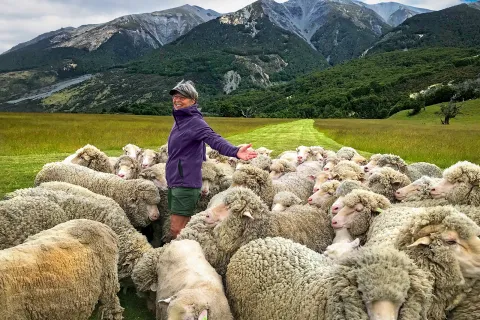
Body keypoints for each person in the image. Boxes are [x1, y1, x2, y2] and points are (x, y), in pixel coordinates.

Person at [166, 80, 257, 240]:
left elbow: (214, 139)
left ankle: (182, 258)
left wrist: (235, 151)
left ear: (193, 101)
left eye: (182, 97)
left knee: (177, 229)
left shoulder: (195, 122)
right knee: (182, 226)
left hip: (185, 182)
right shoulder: (180, 121)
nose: (177, 100)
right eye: (175, 96)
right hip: (176, 180)